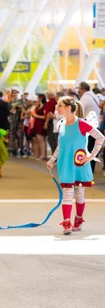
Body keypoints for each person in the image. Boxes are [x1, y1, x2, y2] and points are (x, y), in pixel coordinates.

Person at [47, 97, 104, 235]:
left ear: (68, 108)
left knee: (79, 194)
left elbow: (100, 137)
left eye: (59, 105)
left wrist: (91, 156)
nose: (56, 107)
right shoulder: (60, 124)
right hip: (65, 165)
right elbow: (61, 145)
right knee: (68, 194)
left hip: (80, 165)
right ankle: (66, 222)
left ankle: (78, 219)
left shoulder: (82, 124)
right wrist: (52, 159)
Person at [78, 82, 101, 173]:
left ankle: (85, 172)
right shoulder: (94, 96)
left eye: (79, 89)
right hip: (95, 126)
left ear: (83, 89)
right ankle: (90, 171)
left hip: (86, 128)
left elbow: (80, 113)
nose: (78, 91)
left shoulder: (85, 98)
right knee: (91, 150)